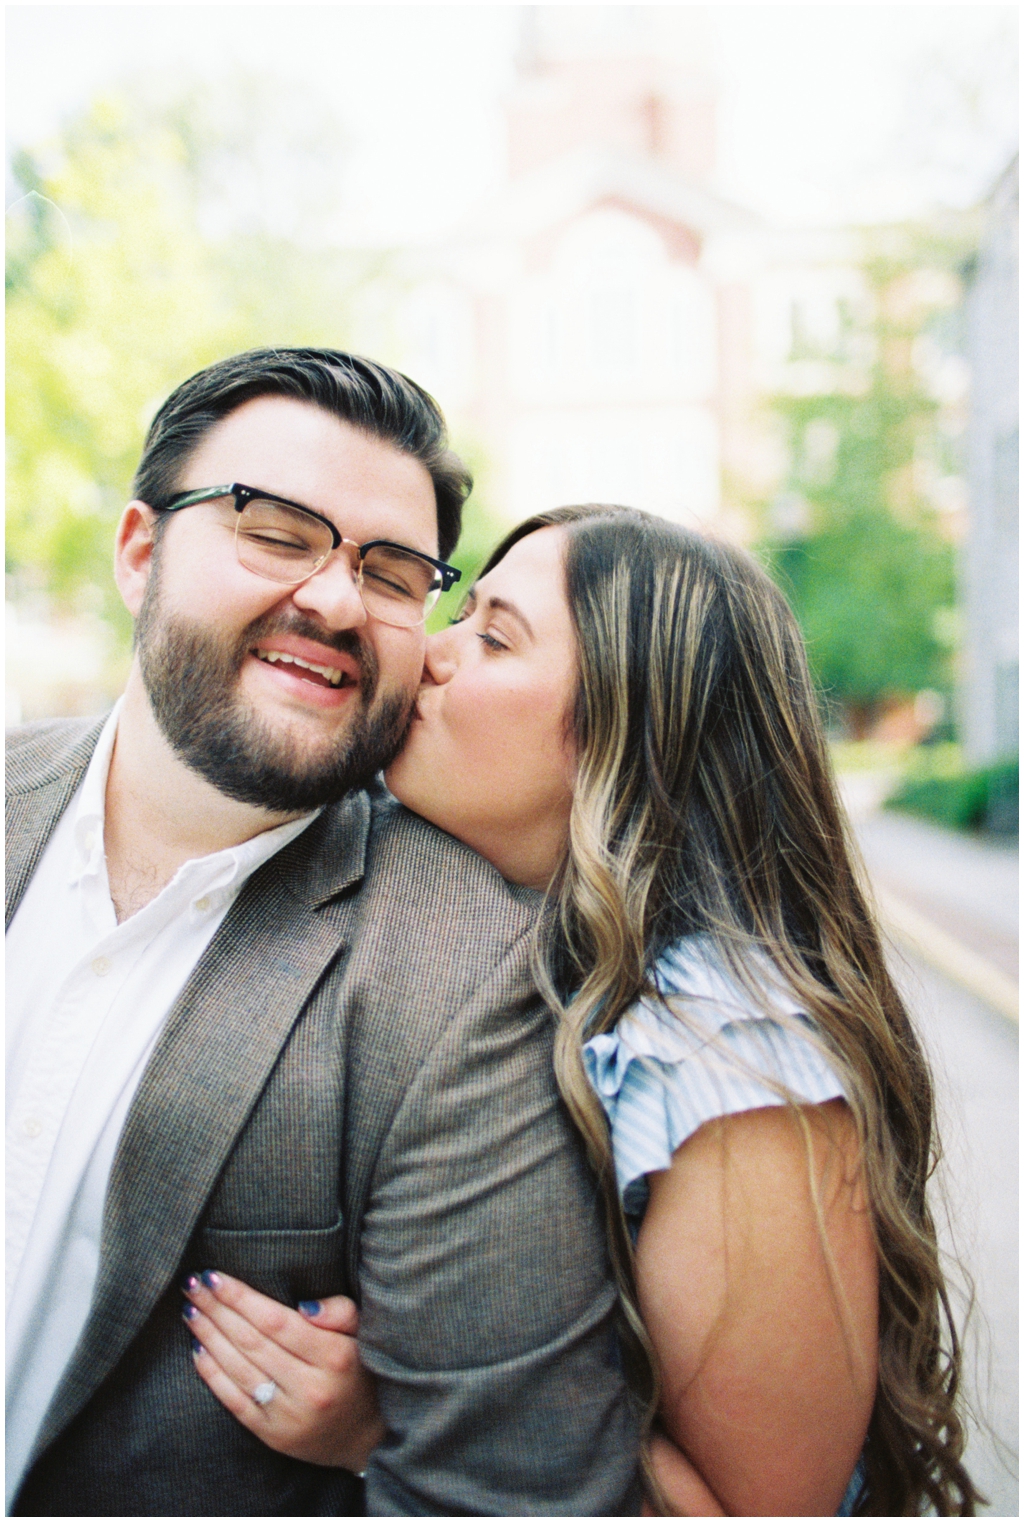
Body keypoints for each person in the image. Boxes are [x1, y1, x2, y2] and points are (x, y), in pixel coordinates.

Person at [187, 505, 981, 1516]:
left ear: (631, 731)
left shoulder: (729, 1056)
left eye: (494, 636)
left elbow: (763, 1509)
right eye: (458, 614)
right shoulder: (502, 942)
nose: (428, 655)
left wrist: (400, 1420)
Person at [5, 356, 641, 1516]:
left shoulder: (469, 975)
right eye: (278, 533)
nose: (338, 601)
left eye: (393, 572)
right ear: (139, 551)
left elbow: (507, 1493)